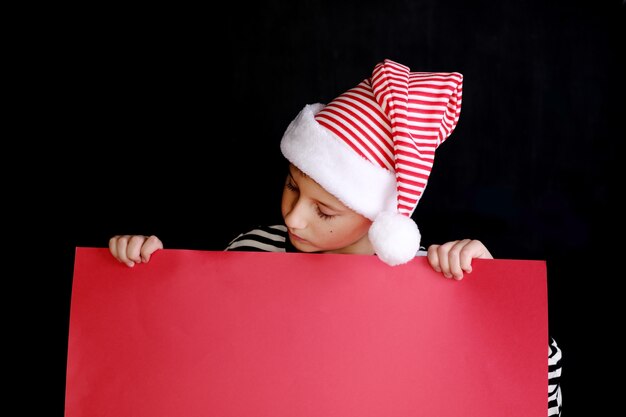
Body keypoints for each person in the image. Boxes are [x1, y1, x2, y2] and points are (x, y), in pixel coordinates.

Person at [108, 59, 562, 416]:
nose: (294, 219)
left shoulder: (432, 280)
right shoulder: (250, 251)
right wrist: (147, 276)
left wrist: (489, 297)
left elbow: (536, 381)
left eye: (324, 209)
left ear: (378, 219)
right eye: (291, 185)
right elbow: (188, 359)